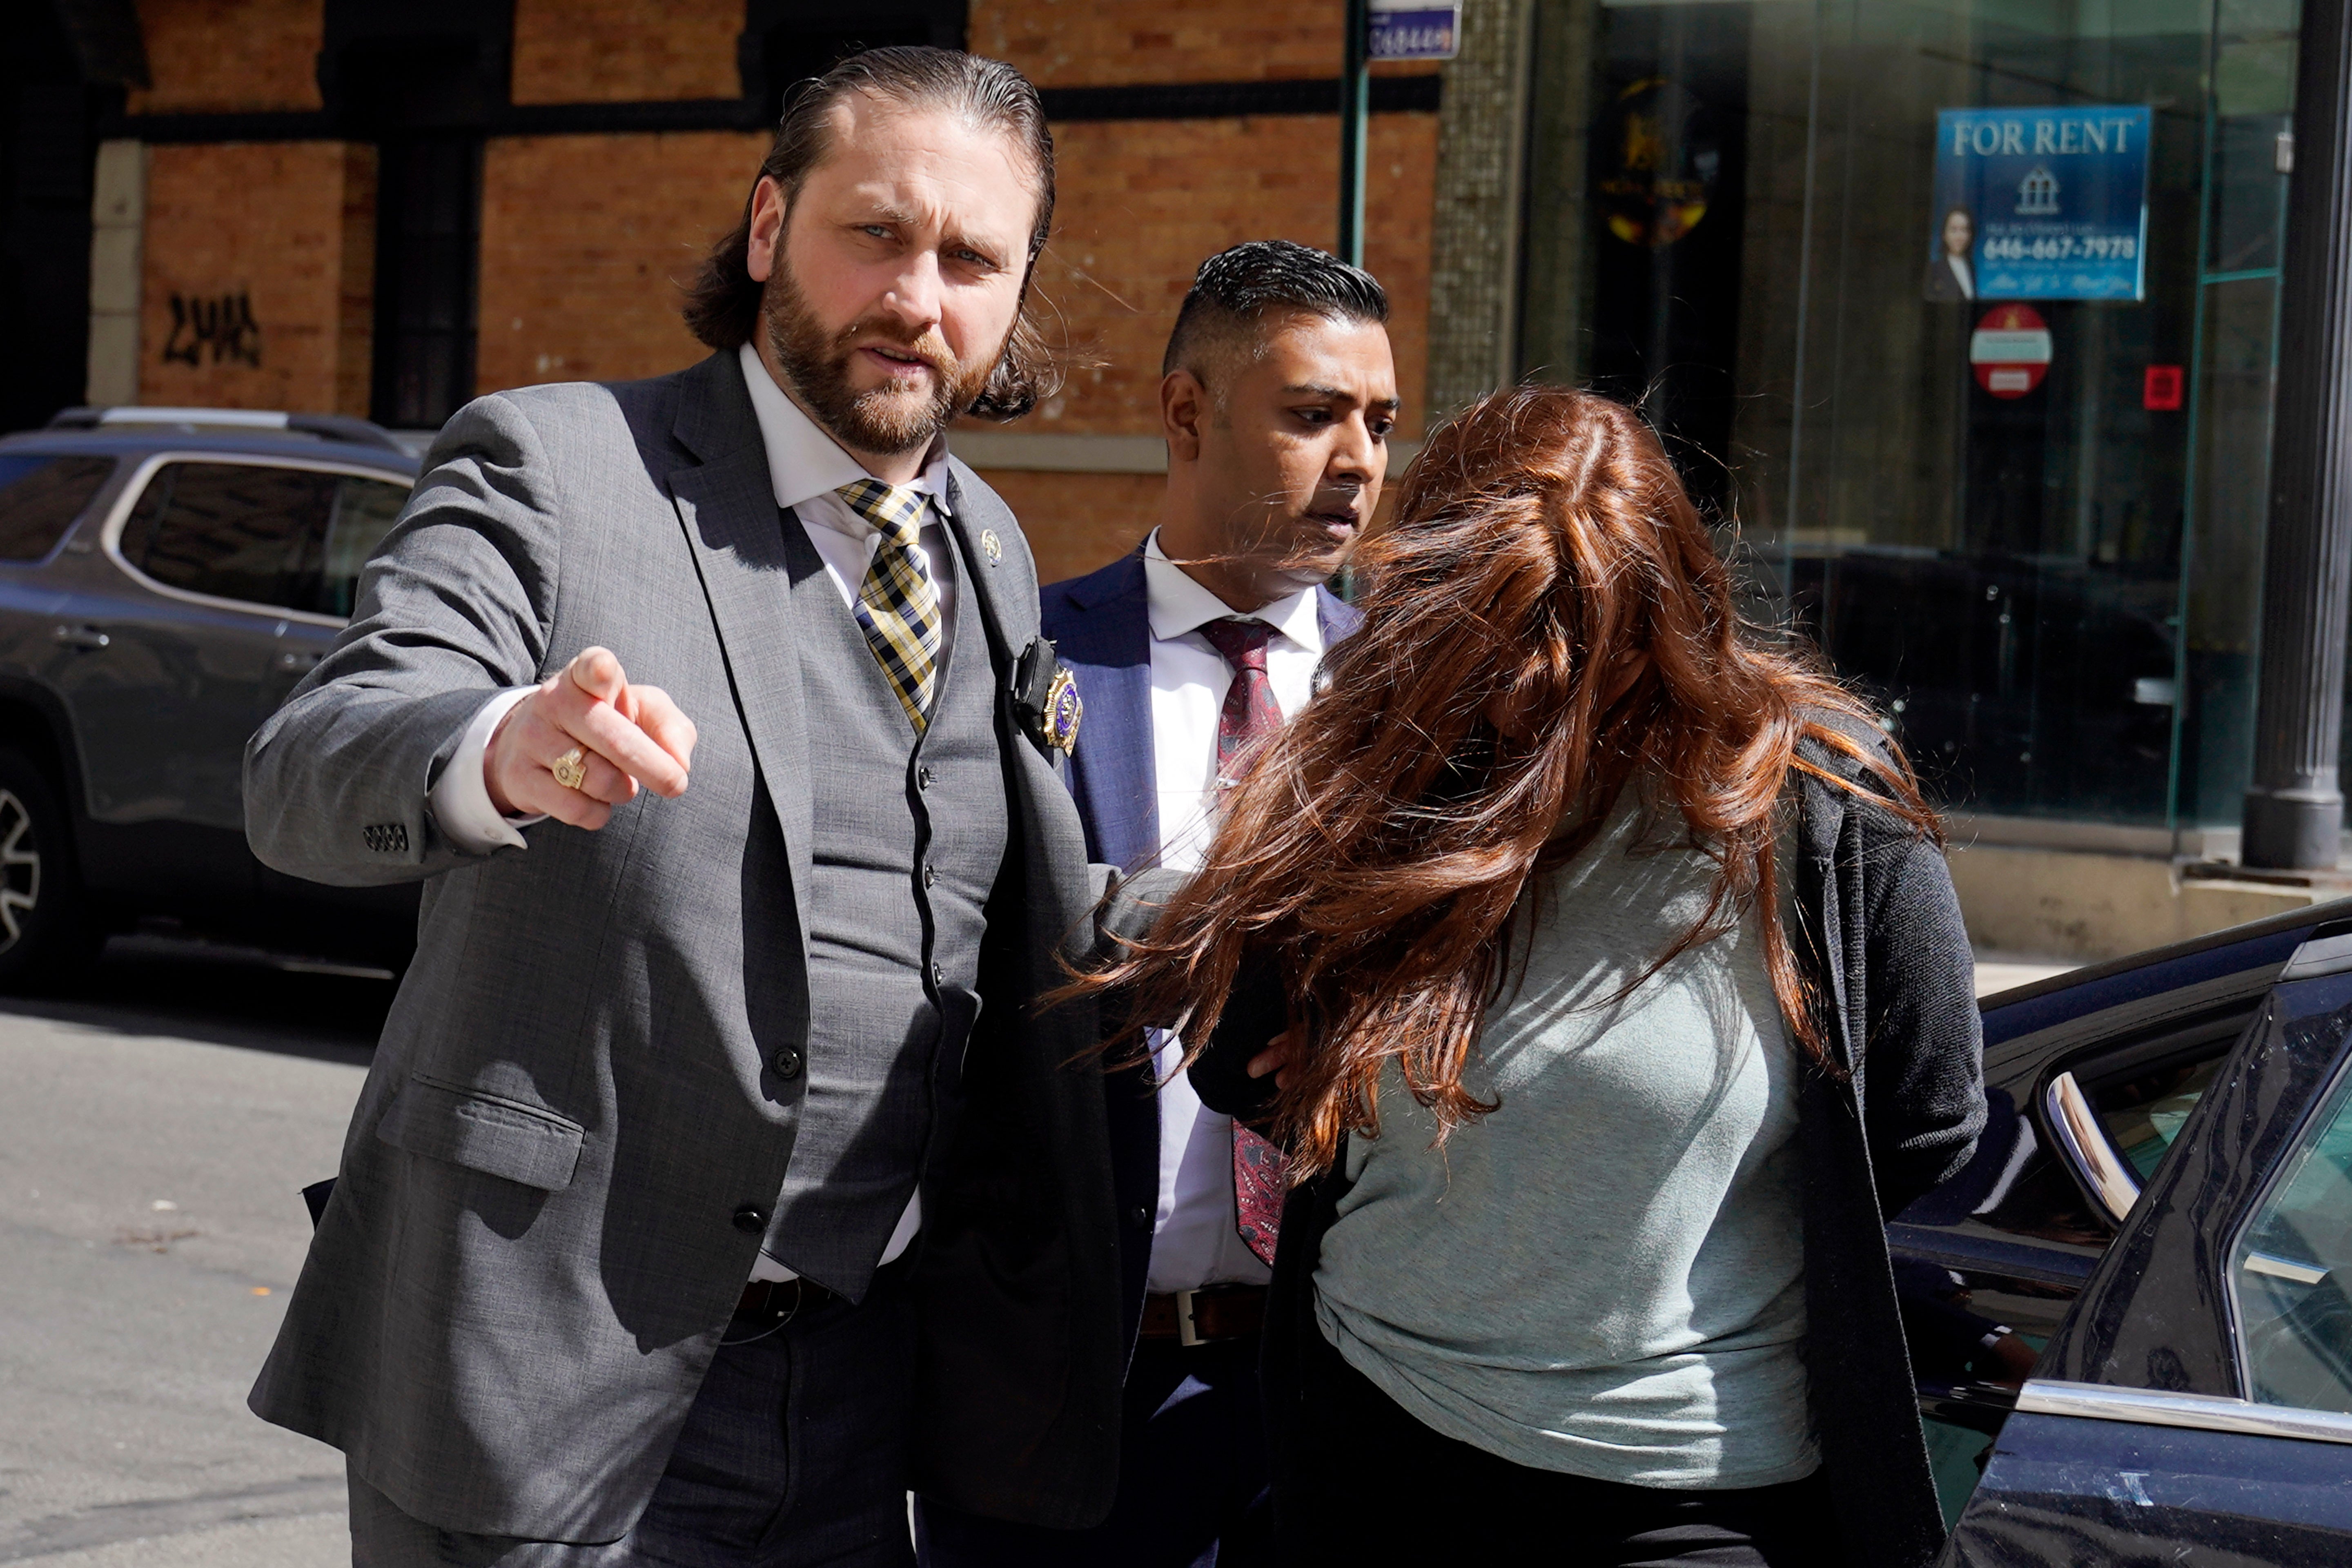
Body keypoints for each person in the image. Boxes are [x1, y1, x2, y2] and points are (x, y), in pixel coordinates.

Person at [243, 47, 1132, 1566]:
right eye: (876, 233)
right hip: (538, 1364)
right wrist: (495, 745)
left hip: (856, 1389)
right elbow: (313, 760)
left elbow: (998, 898)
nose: (917, 299)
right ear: (770, 227)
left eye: (971, 259)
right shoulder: (558, 463)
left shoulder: (982, 541)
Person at [1089, 386, 1987, 1567]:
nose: (1542, 688)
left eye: (1590, 635)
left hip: (1696, 1489)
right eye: (1504, 636)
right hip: (1376, 1448)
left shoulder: (1819, 802)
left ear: (1677, 607)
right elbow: (1240, 1054)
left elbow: (1924, 1118)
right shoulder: (1387, 765)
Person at [916, 240, 1396, 1568]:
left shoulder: (1416, 706)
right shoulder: (1027, 665)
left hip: (1337, 1397)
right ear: (1186, 414)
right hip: (1064, 1403)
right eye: (1313, 414)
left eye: (1380, 421)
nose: (1359, 458)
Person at [1927, 205, 1976, 300]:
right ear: (1944, 235)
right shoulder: (1934, 270)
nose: (1959, 237)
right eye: (1954, 230)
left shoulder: (1971, 267)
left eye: (1964, 230)